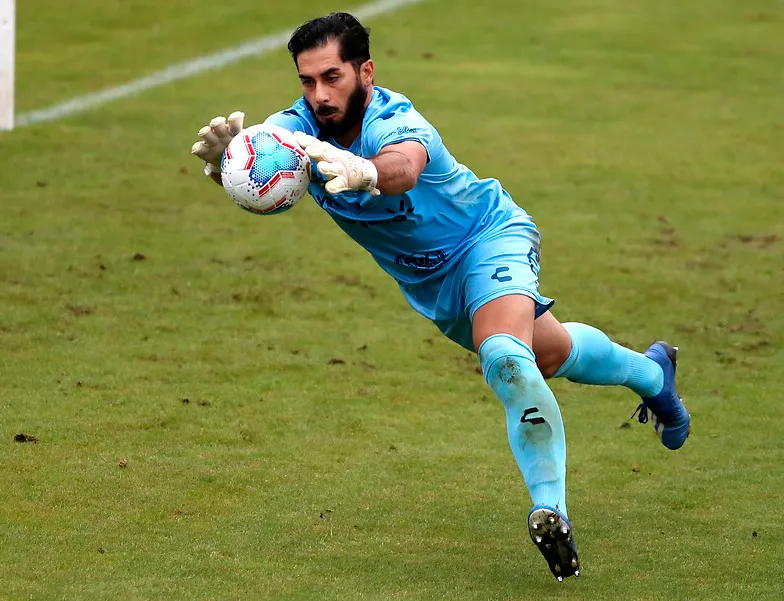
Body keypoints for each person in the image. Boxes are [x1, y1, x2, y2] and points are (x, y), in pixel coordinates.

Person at [190, 12, 691, 582]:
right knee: (546, 355)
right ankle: (654, 375)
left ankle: (550, 509)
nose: (320, 95)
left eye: (332, 77)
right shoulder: (292, 134)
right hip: (433, 285)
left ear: (366, 71)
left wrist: (367, 170)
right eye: (308, 81)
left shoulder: (396, 118)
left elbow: (404, 166)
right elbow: (267, 171)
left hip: (488, 238)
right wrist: (231, 168)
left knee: (504, 357)